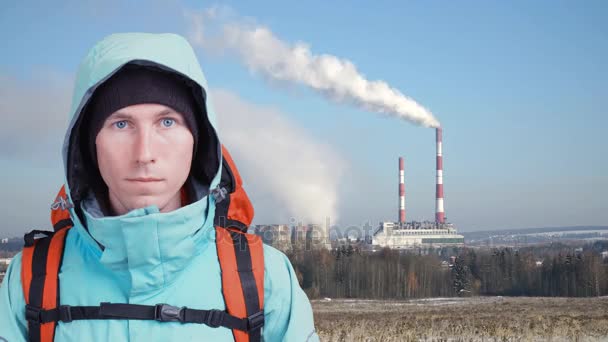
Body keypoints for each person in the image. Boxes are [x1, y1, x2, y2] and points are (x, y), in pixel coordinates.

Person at [0, 32, 319, 341]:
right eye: (121, 124)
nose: (144, 154)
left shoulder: (266, 278)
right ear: (89, 144)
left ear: (198, 140)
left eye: (168, 122)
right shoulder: (27, 280)